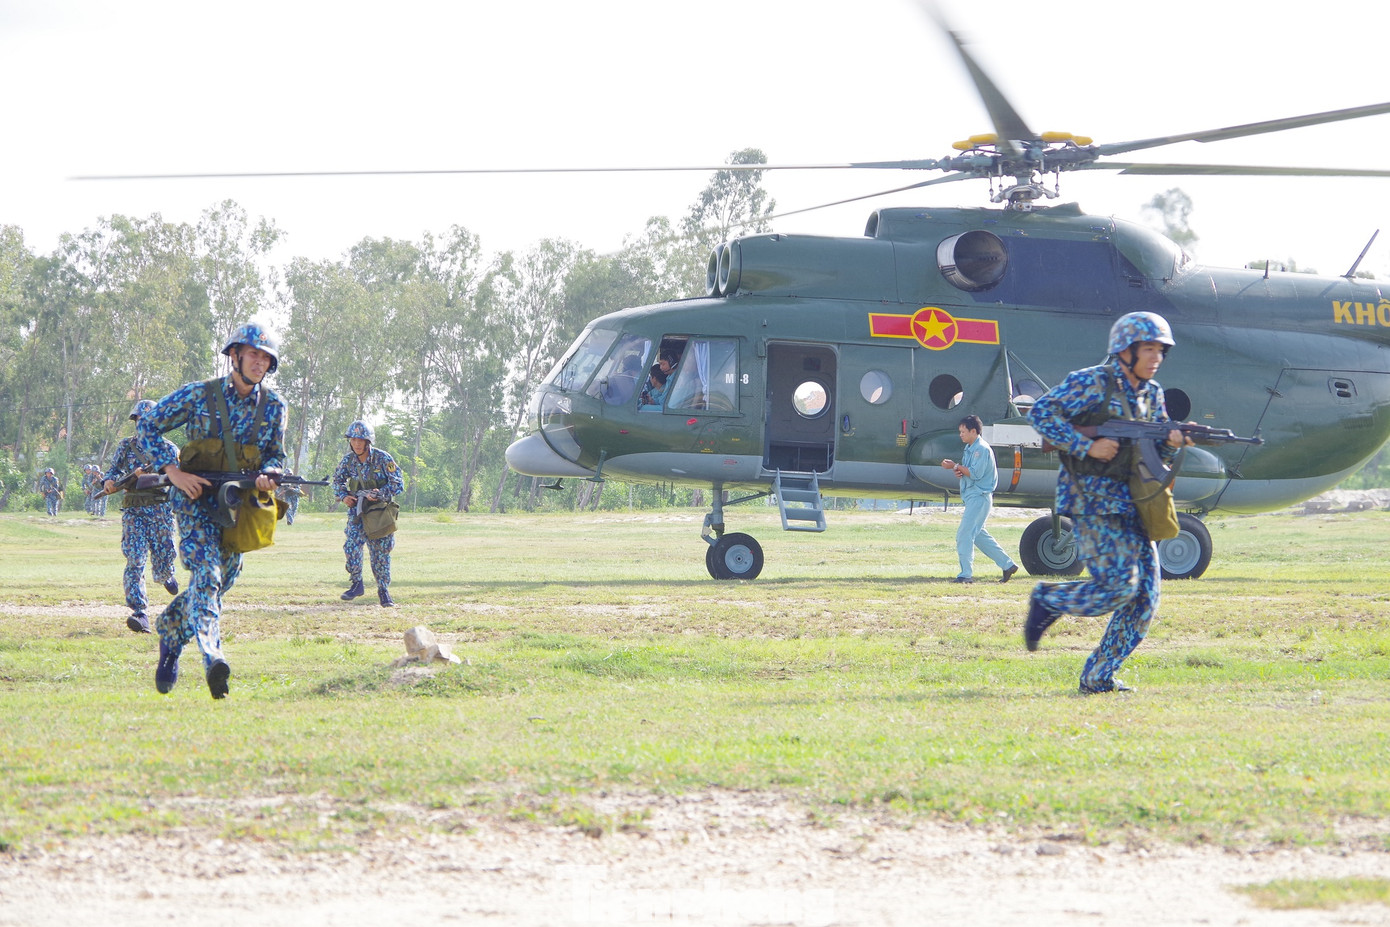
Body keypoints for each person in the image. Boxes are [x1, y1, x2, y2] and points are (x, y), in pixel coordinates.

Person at [1023, 311, 1190, 695]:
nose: (1156, 358)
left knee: (1145, 599)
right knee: (1117, 588)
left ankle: (1098, 677)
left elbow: (1155, 445)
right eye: (1149, 349)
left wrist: (1174, 442)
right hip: (1092, 501)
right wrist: (1086, 445)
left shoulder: (1153, 394)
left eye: (1160, 351)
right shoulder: (1091, 383)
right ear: (1125, 350)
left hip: (1135, 504)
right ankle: (1048, 598)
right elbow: (1042, 412)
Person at [136, 321, 287, 699]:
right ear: (234, 355)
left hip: (238, 509)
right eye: (253, 353)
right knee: (207, 573)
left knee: (223, 578)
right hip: (194, 505)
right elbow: (148, 428)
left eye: (266, 357)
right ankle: (213, 657)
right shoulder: (198, 395)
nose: (259, 362)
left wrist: (271, 475)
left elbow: (275, 456)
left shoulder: (274, 408)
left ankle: (171, 631)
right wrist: (173, 469)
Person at [103, 400, 180, 633]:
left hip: (160, 511)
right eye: (140, 421)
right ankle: (139, 612)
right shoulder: (125, 447)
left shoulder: (169, 449)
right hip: (134, 511)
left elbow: (179, 479)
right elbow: (112, 473)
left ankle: (166, 574)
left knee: (164, 556)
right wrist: (109, 481)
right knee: (135, 559)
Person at [333, 421, 405, 607]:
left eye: (360, 440)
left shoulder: (383, 458)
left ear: (368, 442)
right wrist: (344, 496)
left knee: (380, 553)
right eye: (353, 439)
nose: (356, 444)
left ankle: (383, 590)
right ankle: (357, 583)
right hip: (358, 512)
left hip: (379, 513)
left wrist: (379, 493)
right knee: (351, 546)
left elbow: (398, 483)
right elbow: (337, 480)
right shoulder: (348, 461)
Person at [941, 414, 1018, 584]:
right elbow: (969, 471)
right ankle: (1007, 565)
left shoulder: (981, 449)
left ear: (974, 431)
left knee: (964, 534)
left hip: (979, 496)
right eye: (960, 431)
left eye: (963, 431)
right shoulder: (970, 448)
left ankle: (965, 574)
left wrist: (954, 466)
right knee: (979, 535)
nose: (960, 434)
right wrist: (959, 470)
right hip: (974, 496)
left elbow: (975, 473)